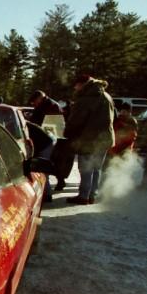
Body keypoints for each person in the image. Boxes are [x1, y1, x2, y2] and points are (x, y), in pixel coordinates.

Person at [62, 73, 114, 204]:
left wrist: (67, 132)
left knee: (85, 168)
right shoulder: (106, 96)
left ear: (82, 84)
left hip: (89, 139)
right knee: (96, 168)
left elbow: (77, 120)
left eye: (76, 85)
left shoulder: (87, 98)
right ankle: (92, 195)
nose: (75, 88)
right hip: (105, 138)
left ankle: (83, 196)